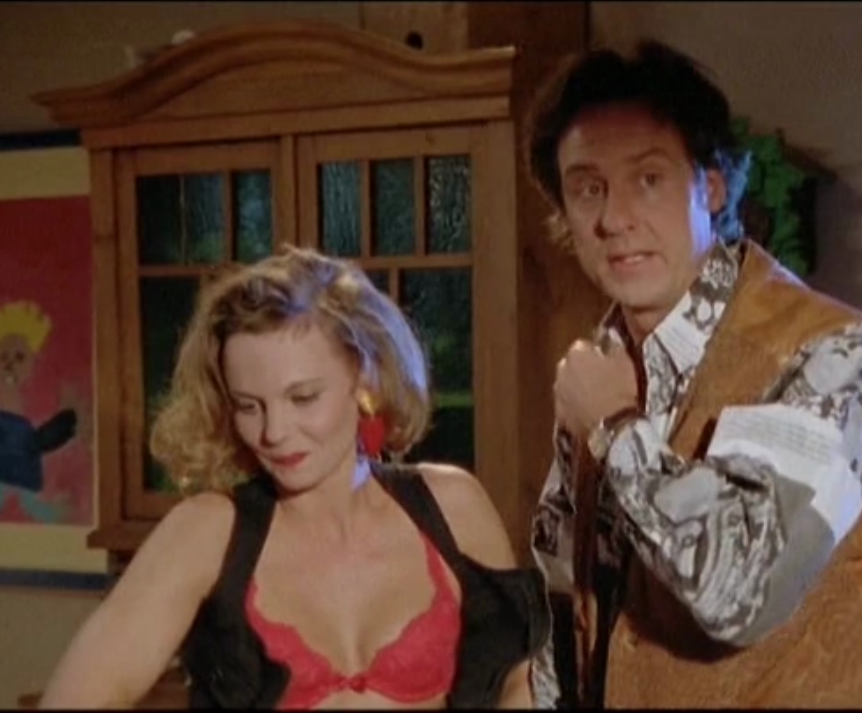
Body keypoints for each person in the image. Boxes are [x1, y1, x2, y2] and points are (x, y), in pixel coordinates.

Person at [524, 40, 862, 708]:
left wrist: (613, 426)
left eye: (648, 179)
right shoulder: (599, 367)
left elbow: (742, 591)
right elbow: (574, 600)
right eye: (588, 188)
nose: (614, 219)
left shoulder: (840, 353)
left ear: (711, 187)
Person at [39, 247, 549, 709]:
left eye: (303, 398)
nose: (274, 432)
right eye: (248, 406)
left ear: (365, 376)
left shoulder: (453, 508)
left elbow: (519, 679)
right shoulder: (206, 534)